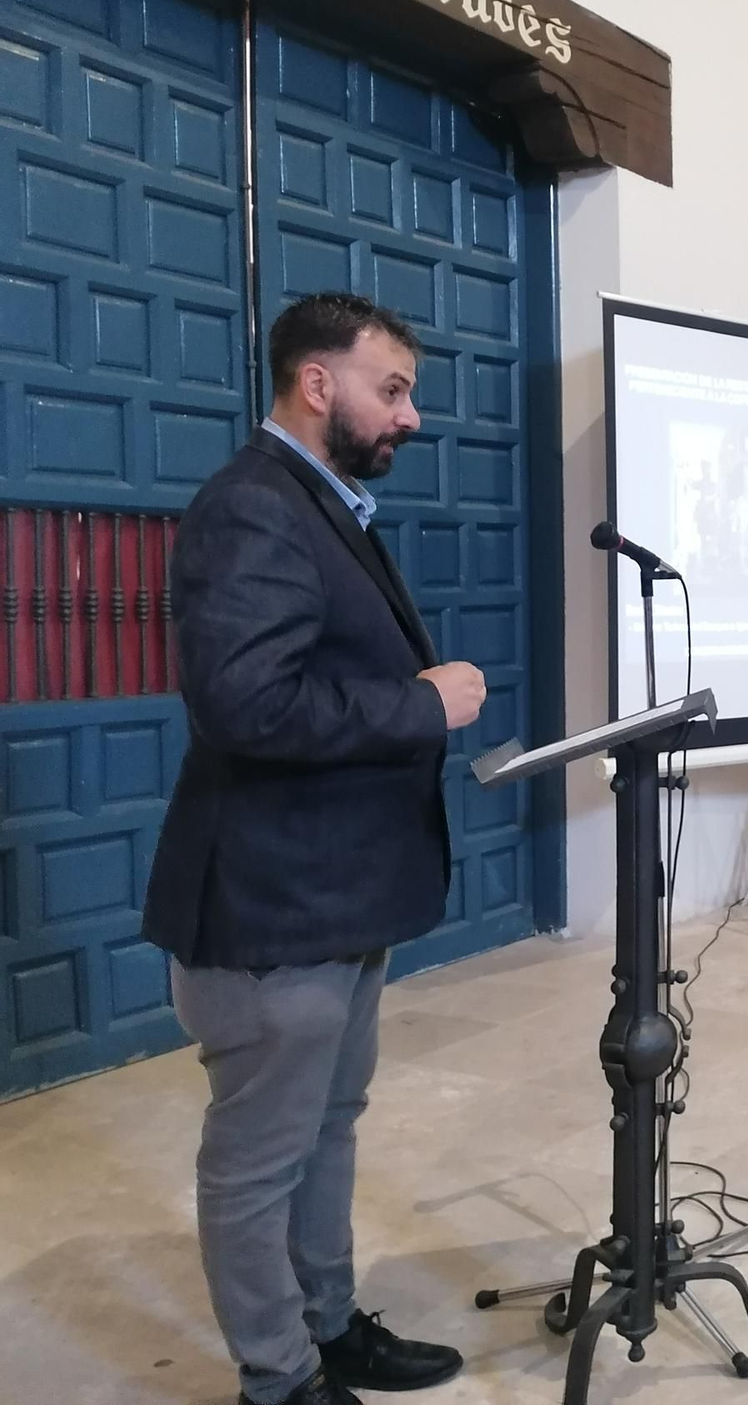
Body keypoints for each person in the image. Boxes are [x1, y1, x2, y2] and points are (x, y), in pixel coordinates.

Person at [143, 292, 485, 1405]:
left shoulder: (320, 505)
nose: (413, 416)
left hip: (338, 902)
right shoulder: (252, 506)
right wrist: (419, 707)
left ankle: (327, 1326)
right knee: (256, 1164)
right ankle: (278, 1379)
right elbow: (245, 706)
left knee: (330, 1127)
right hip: (268, 912)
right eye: (393, 390)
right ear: (317, 382)